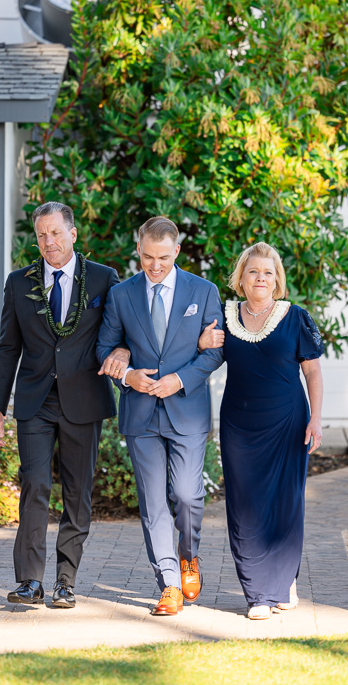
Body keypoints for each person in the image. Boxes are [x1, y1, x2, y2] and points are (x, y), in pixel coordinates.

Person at [0, 201, 127, 609]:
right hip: (34, 401)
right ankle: (30, 580)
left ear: (73, 234)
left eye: (55, 233)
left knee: (77, 491)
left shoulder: (103, 279)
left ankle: (66, 581)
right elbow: (8, 347)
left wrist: (122, 352)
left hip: (84, 399)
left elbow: (120, 332)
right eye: (41, 234)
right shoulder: (19, 282)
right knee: (34, 484)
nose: (48, 241)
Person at [96, 217, 224, 616]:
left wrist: (180, 380)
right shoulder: (121, 295)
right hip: (140, 414)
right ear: (139, 250)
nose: (155, 266)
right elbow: (105, 348)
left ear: (177, 252)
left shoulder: (203, 292)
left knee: (186, 495)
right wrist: (128, 374)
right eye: (148, 257)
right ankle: (168, 583)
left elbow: (215, 351)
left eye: (163, 258)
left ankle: (189, 556)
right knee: (153, 503)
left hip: (186, 410)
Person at [199, 241, 323, 620]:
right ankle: (258, 593)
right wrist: (202, 341)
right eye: (253, 271)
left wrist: (315, 419)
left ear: (277, 279)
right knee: (245, 506)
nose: (261, 278)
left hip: (287, 422)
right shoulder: (224, 316)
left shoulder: (295, 316)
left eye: (268, 272)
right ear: (241, 277)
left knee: (286, 503)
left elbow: (313, 370)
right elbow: (200, 357)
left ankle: (283, 580)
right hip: (239, 425)